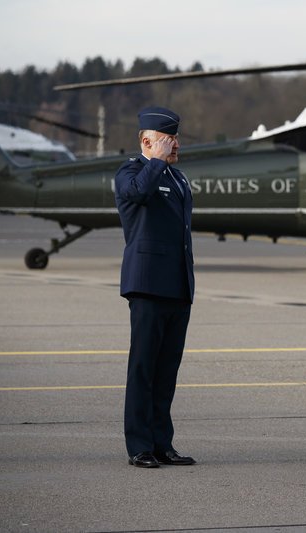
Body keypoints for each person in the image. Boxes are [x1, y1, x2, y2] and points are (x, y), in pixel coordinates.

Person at [115, 106, 197, 469]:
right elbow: (138, 194)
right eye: (168, 139)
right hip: (147, 285)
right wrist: (157, 161)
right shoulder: (132, 172)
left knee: (166, 372)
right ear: (147, 141)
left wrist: (164, 164)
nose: (175, 144)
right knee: (144, 368)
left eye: (176, 138)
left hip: (177, 286)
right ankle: (139, 446)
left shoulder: (177, 178)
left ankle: (163, 443)